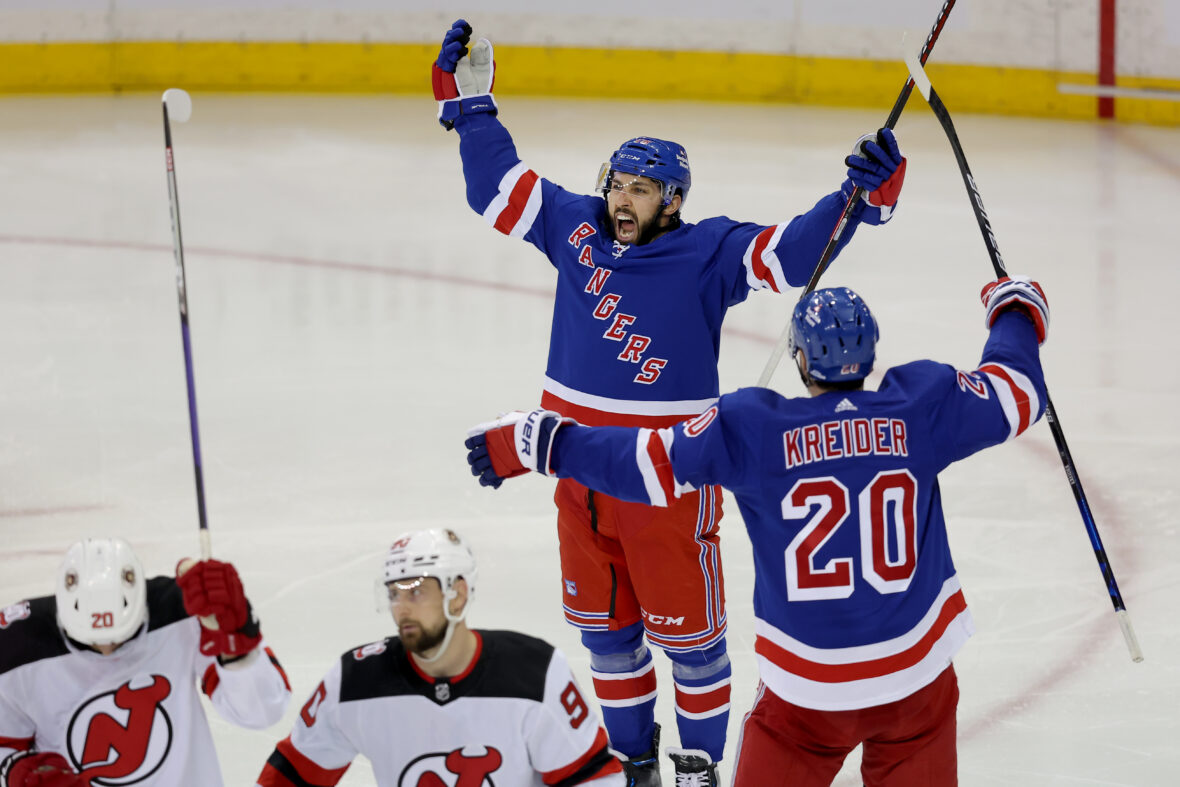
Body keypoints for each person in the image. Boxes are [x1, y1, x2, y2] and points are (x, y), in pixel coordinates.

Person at [433, 18, 908, 782]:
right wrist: (474, 106)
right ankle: (633, 759)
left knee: (691, 642)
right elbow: (496, 188)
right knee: (608, 635)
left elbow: (790, 251)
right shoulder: (575, 227)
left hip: (668, 482)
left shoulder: (708, 250)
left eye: (641, 189)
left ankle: (695, 766)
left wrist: (859, 198)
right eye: (617, 183)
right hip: (580, 479)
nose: (623, 200)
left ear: (673, 199)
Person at [465, 276, 1051, 785]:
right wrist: (1015, 308)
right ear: (871, 353)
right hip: (916, 681)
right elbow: (1018, 392)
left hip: (807, 697)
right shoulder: (921, 405)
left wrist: (541, 442)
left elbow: (644, 465)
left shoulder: (754, 427)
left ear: (800, 359)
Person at [255, 528, 625, 787]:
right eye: (394, 593)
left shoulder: (535, 672)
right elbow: (291, 776)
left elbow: (596, 779)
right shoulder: (355, 681)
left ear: (458, 594)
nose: (401, 607)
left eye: (415, 591)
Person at [0, 537, 291, 787]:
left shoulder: (187, 610)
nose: (107, 651)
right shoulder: (16, 648)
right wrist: (16, 769)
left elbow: (263, 712)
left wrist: (234, 643)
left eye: (120, 638)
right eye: (91, 641)